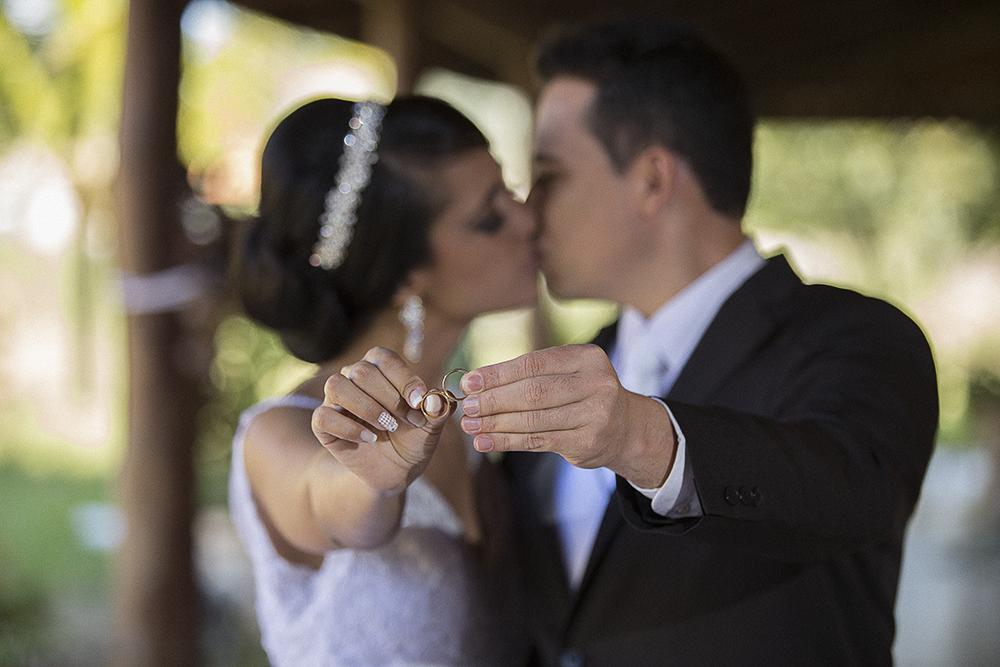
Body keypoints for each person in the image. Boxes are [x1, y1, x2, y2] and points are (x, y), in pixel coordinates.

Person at [328, 15, 938, 666]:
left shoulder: (858, 338)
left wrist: (642, 438)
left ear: (652, 180)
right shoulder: (562, 380)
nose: (528, 211)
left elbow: (855, 491)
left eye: (550, 175)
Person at [226, 95, 536, 667]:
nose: (529, 219)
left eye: (510, 192)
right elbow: (328, 499)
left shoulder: (473, 423)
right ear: (405, 277)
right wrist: (371, 481)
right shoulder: (278, 436)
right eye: (489, 217)